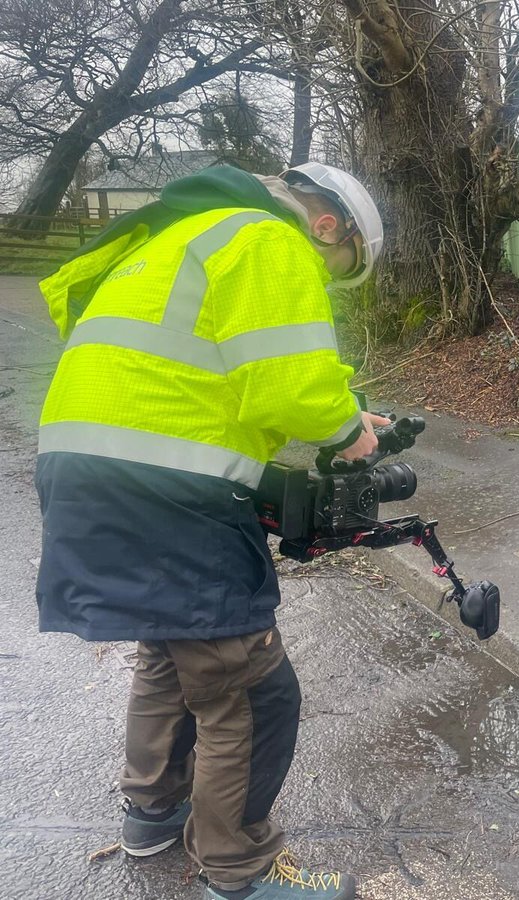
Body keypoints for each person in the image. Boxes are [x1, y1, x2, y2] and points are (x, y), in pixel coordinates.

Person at [35, 161, 387, 900]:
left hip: (86, 464)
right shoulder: (269, 236)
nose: (326, 277)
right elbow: (289, 387)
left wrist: (340, 409)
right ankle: (242, 873)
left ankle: (152, 812)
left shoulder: (179, 234)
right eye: (339, 270)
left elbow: (205, 371)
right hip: (167, 484)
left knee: (170, 645)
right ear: (328, 227)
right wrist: (347, 427)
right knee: (250, 685)